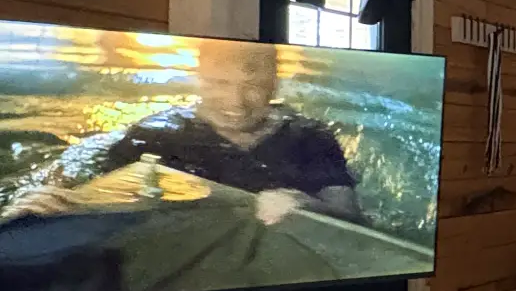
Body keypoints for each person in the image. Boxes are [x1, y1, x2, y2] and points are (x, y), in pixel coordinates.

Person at [0, 40, 361, 226]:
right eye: (220, 83)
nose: (236, 100)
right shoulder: (156, 134)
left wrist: (308, 206)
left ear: (273, 85)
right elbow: (91, 188)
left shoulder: (309, 138)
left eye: (253, 85)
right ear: (199, 80)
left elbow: (351, 216)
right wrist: (58, 201)